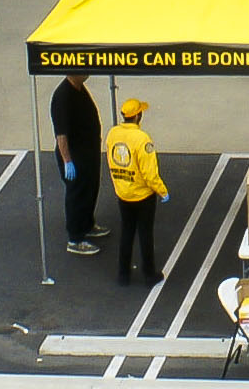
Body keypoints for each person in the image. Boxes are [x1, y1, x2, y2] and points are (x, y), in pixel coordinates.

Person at [104, 98, 168, 286]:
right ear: (138, 115)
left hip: (123, 193)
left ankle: (123, 274)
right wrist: (162, 191)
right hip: (142, 195)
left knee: (127, 232)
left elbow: (111, 159)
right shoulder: (142, 139)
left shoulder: (113, 134)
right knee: (145, 234)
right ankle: (149, 274)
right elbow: (149, 173)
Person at [50, 73, 109, 254]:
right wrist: (67, 161)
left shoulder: (80, 89)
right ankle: (75, 238)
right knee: (77, 194)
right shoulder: (62, 97)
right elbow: (61, 135)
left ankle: (87, 224)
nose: (87, 72)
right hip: (75, 157)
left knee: (91, 188)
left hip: (88, 153)